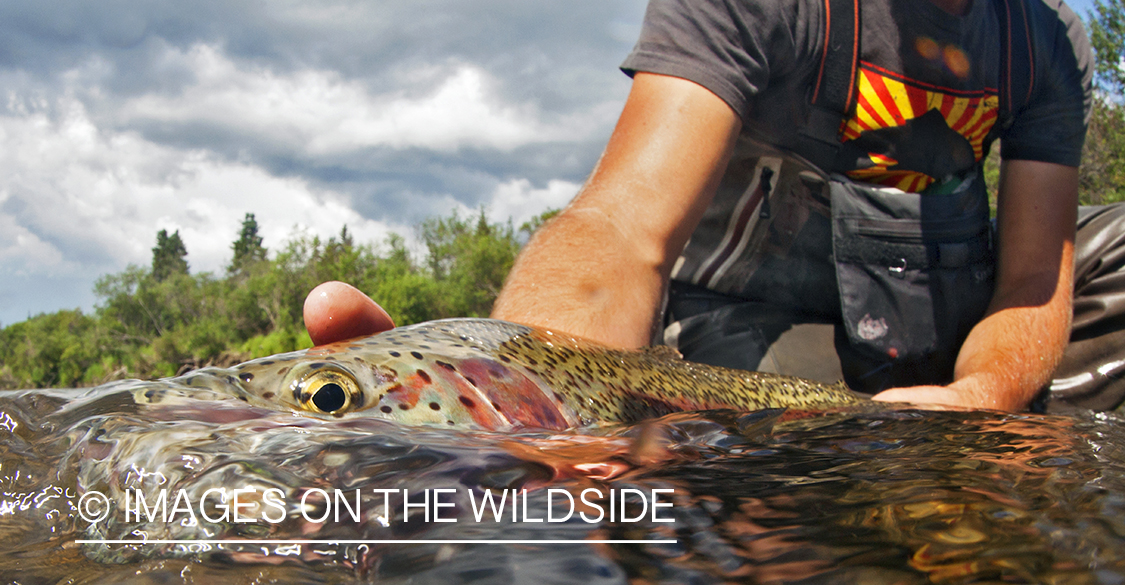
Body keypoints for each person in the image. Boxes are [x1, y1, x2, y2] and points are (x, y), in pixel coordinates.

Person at [306, 0, 1125, 413]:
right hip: (764, 319)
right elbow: (623, 226)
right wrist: (524, 396)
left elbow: (1031, 278)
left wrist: (984, 396)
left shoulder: (1046, 39)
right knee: (795, 443)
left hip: (947, 295)